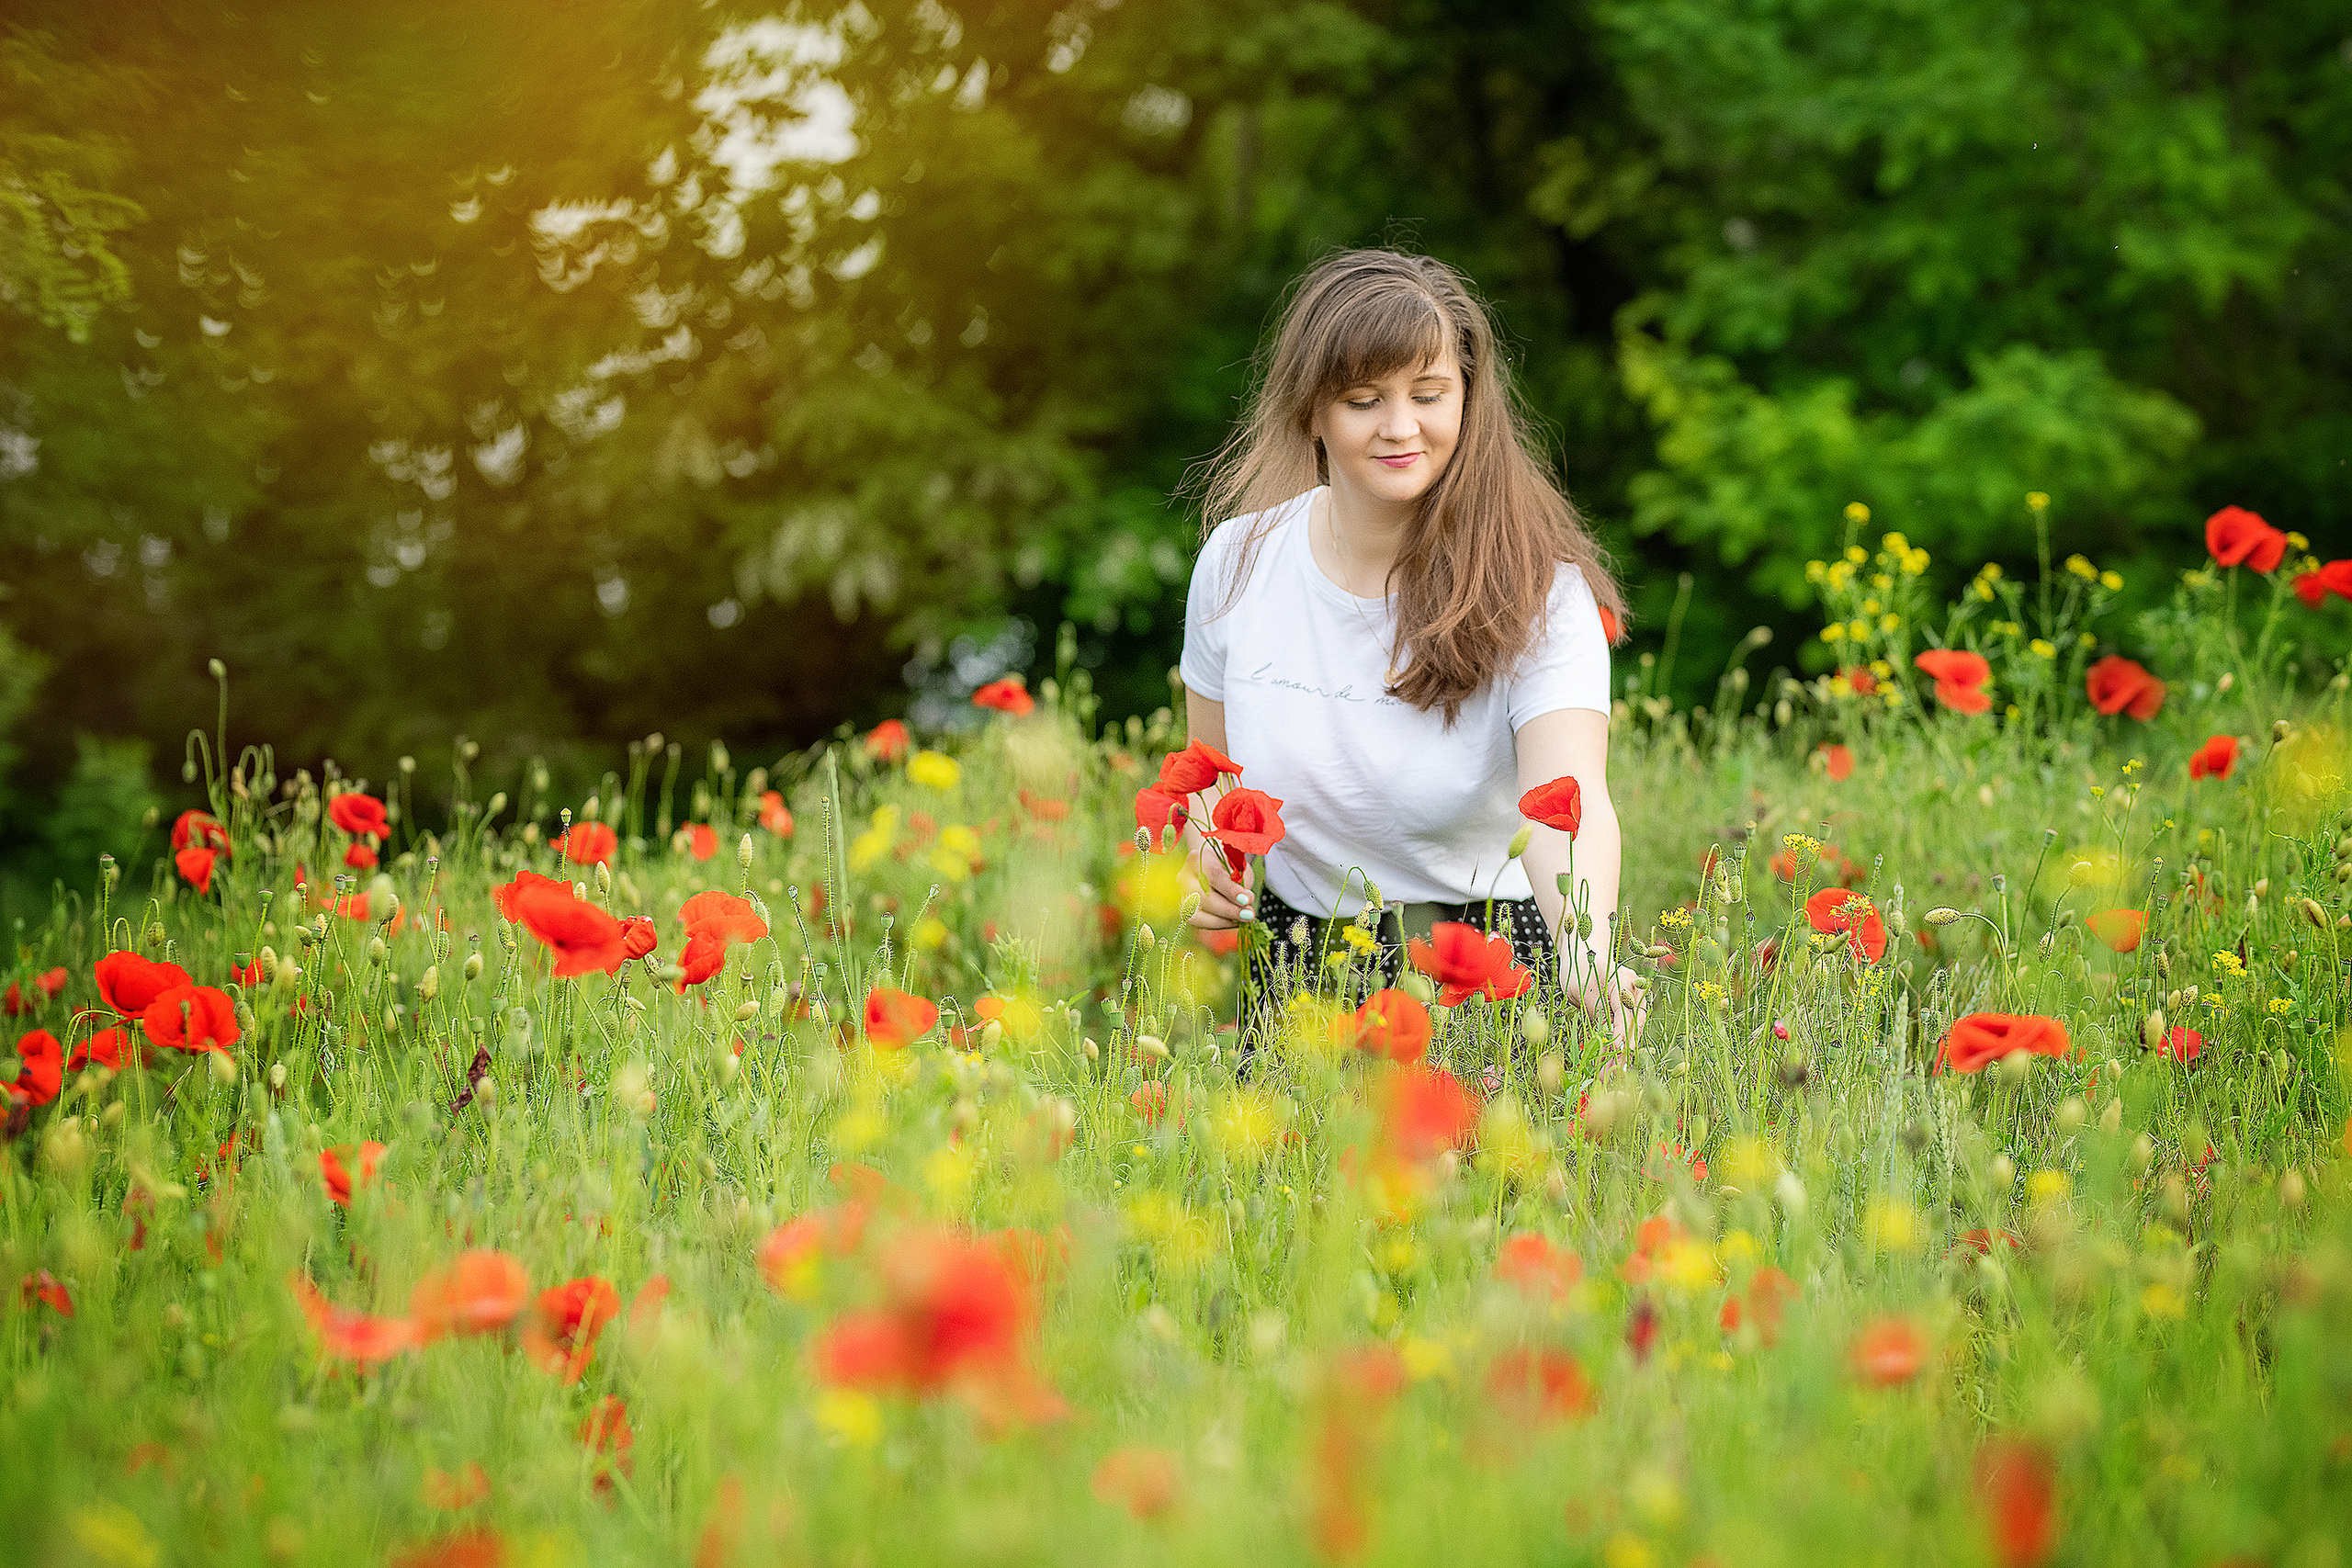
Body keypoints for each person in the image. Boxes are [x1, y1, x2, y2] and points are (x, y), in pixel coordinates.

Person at [1172, 248, 1644, 1043]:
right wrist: (1205, 861)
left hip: (1482, 963)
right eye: (1364, 400)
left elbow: (1569, 805)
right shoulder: (1236, 562)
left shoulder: (1538, 592)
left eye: (1429, 395)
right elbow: (1207, 778)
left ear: (1467, 399)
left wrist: (1586, 947)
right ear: (1311, 411)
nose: (1402, 427)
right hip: (1298, 964)